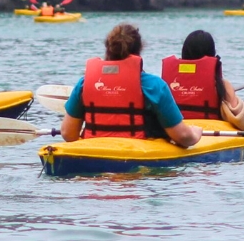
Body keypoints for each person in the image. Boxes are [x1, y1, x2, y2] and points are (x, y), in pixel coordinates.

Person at [61, 23, 202, 148]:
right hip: (137, 160)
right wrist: (196, 133)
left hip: (96, 155)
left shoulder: (84, 84)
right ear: (139, 50)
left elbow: (68, 134)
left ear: (108, 49)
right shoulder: (154, 86)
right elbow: (183, 137)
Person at [161, 30, 244, 133]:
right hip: (210, 133)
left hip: (177, 132)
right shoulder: (222, 85)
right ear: (212, 54)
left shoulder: (163, 85)